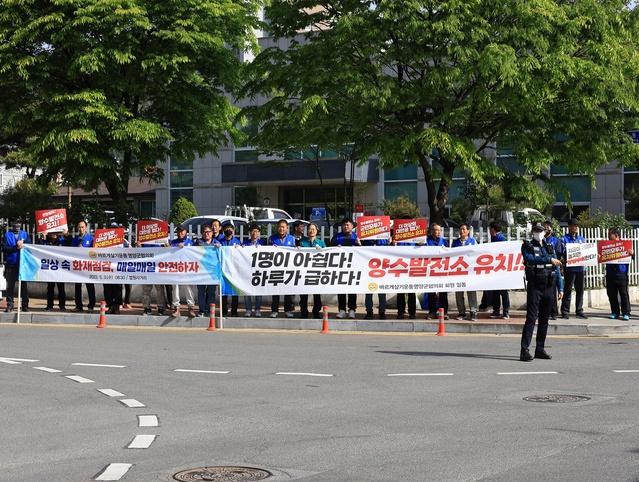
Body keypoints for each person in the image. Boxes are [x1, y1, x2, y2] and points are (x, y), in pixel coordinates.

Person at [520, 223, 563, 361]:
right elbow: (530, 259)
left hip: (549, 286)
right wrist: (548, 259)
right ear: (532, 232)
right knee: (531, 319)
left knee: (544, 320)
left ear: (545, 232)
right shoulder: (527, 246)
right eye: (536, 231)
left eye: (541, 231)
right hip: (535, 286)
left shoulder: (549, 246)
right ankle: (524, 350)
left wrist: (560, 287)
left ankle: (540, 349)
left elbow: (556, 268)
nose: (539, 233)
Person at [331, 218, 361, 318]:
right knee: (341, 288)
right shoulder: (336, 237)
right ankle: (342, 309)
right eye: (344, 225)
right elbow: (329, 249)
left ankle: (352, 309)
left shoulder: (357, 237)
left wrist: (359, 244)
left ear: (352, 226)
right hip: (340, 267)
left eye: (348, 225)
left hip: (353, 267)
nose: (346, 227)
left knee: (352, 289)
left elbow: (364, 252)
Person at [2, 216, 31, 312]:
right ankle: (10, 304)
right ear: (12, 224)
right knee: (10, 286)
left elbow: (30, 247)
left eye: (19, 222)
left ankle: (25, 305)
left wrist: (24, 245)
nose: (17, 224)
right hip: (11, 263)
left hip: (22, 264)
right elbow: (4, 248)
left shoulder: (25, 234)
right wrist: (16, 247)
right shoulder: (7, 235)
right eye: (15, 222)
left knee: (23, 286)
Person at [560, 218, 588, 319]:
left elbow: (586, 251)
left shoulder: (582, 239)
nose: (576, 228)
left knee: (580, 291)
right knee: (568, 290)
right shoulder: (564, 239)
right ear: (569, 227)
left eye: (577, 226)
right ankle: (565, 311)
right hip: (570, 269)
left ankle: (579, 310)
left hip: (580, 268)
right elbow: (563, 252)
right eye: (574, 226)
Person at [298, 222, 325, 319]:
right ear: (307, 231)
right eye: (310, 229)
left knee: (317, 293)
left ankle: (316, 311)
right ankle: (304, 311)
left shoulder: (321, 243)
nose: (311, 231)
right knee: (303, 293)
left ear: (317, 231)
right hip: (304, 271)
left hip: (316, 271)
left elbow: (327, 255)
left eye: (313, 229)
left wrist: (321, 250)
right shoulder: (302, 242)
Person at [269, 219, 296, 318]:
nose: (281, 229)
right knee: (275, 291)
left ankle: (288, 310)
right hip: (275, 269)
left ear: (287, 228)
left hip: (288, 268)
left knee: (287, 290)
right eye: (280, 227)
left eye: (283, 227)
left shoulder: (292, 239)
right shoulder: (271, 239)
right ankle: (274, 310)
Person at [452, 223, 478, 321]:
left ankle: (473, 311)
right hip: (459, 270)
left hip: (470, 271)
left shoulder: (473, 241)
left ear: (468, 231)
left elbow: (477, 254)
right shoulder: (455, 243)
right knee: (459, 292)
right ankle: (461, 312)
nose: (461, 231)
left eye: (463, 229)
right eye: (460, 229)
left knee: (471, 292)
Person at [605, 228, 632, 321]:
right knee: (611, 294)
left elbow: (632, 256)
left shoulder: (625, 245)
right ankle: (615, 312)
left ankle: (626, 313)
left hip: (621, 273)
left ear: (616, 235)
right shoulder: (606, 246)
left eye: (610, 235)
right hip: (610, 273)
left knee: (623, 294)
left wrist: (632, 253)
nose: (608, 236)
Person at [170, 224, 196, 318]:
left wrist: (185, 249)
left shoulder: (191, 242)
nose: (180, 233)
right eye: (178, 231)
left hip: (187, 269)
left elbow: (194, 255)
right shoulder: (173, 242)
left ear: (185, 232)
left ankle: (191, 307)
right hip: (175, 269)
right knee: (175, 288)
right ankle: (176, 307)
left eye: (182, 231)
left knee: (188, 288)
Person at [425, 222, 449, 319]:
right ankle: (432, 311)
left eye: (440, 230)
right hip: (430, 269)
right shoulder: (426, 241)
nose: (438, 232)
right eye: (436, 230)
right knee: (431, 291)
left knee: (443, 291)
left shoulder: (444, 242)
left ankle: (444, 312)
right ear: (431, 231)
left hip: (441, 269)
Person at [193, 225, 218, 317]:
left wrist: (220, 248)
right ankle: (202, 310)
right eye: (204, 232)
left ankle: (210, 310)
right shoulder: (198, 242)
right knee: (201, 292)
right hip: (201, 271)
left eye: (208, 232)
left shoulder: (217, 243)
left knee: (211, 292)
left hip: (212, 272)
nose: (206, 234)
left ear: (212, 233)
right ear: (202, 233)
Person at [217, 222, 241, 316]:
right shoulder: (219, 241)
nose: (228, 231)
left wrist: (239, 248)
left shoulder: (237, 242)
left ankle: (234, 311)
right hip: (222, 270)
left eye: (230, 229)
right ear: (223, 231)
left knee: (235, 292)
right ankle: (224, 311)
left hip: (234, 270)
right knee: (223, 292)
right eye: (226, 229)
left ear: (233, 231)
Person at [71, 220, 95, 313]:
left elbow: (94, 252)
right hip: (78, 265)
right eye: (79, 227)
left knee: (90, 285)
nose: (81, 229)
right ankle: (78, 305)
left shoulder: (91, 238)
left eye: (82, 227)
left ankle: (91, 305)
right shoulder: (75, 239)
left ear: (86, 228)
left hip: (88, 265)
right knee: (77, 286)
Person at [489, 221, 510, 320]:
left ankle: (505, 311)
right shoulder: (495, 239)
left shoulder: (501, 239)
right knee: (496, 292)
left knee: (503, 292)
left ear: (493, 229)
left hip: (501, 268)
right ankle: (497, 311)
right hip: (496, 269)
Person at [362, 238, 388, 320]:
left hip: (382, 271)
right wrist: (359, 243)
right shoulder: (365, 240)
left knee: (382, 293)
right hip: (369, 271)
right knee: (368, 293)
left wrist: (390, 244)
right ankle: (369, 312)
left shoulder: (384, 239)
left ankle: (382, 312)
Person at [42, 231, 67, 311]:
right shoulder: (46, 242)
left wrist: (67, 234)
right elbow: (37, 246)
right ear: (49, 234)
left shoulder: (62, 241)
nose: (54, 234)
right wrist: (43, 237)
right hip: (50, 268)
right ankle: (49, 305)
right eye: (52, 232)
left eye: (55, 232)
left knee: (61, 288)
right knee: (50, 288)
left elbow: (70, 243)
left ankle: (62, 305)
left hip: (60, 268)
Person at [544, 220, 564, 320]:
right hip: (543, 268)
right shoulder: (541, 241)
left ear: (551, 229)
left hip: (553, 268)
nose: (547, 229)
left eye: (548, 227)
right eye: (545, 227)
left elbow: (559, 254)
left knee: (552, 292)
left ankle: (554, 312)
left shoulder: (555, 241)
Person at [242, 224, 264, 317]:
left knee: (258, 292)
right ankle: (248, 309)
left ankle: (258, 309)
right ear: (250, 233)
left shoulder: (263, 243)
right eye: (252, 231)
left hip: (259, 270)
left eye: (256, 231)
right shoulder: (245, 243)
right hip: (248, 270)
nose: (254, 233)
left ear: (259, 233)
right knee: (247, 291)